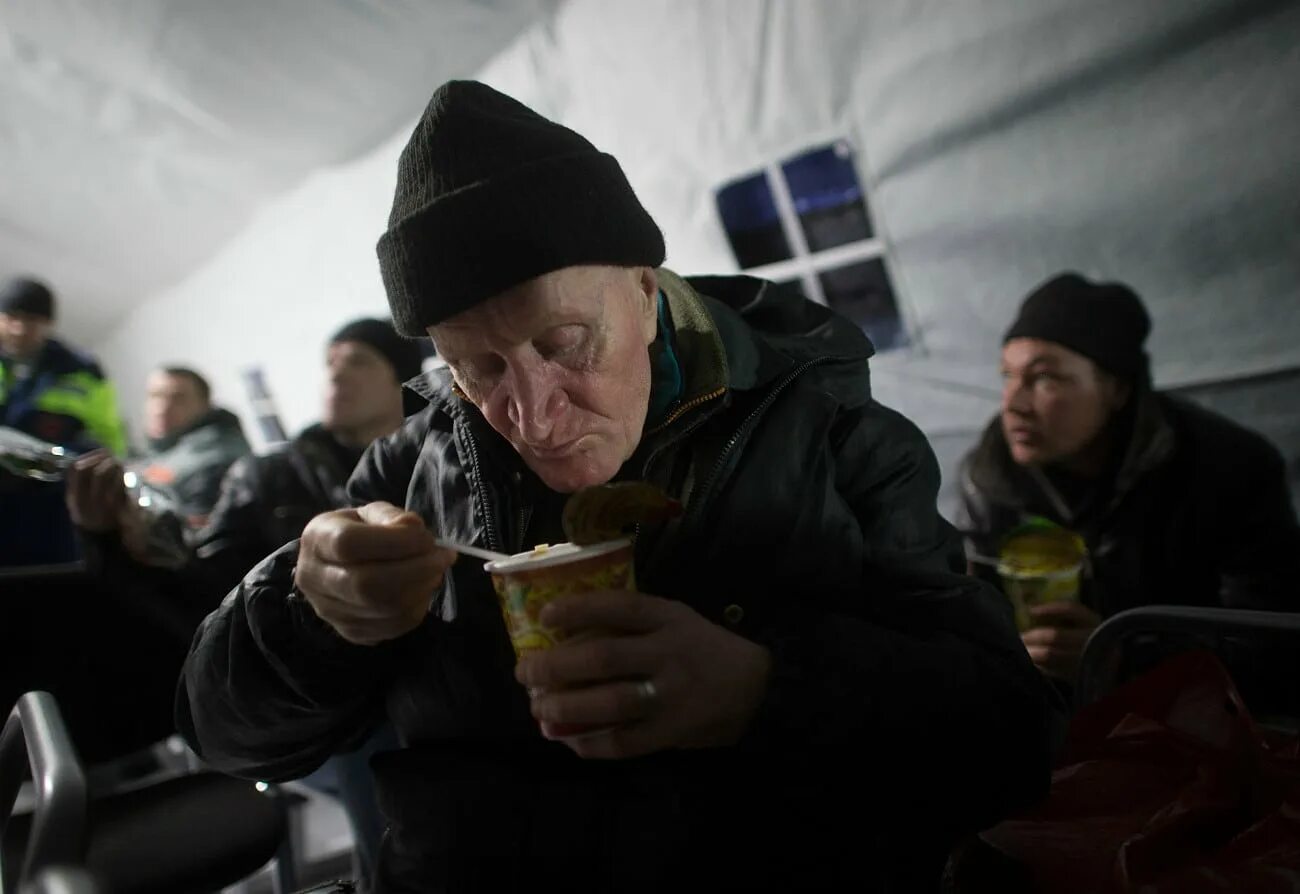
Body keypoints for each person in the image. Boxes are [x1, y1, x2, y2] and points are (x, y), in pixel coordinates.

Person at [177, 81, 1054, 893]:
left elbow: (1013, 738)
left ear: (643, 290)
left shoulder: (833, 436)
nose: (531, 413)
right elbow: (225, 738)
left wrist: (766, 692)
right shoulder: (409, 473)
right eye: (475, 368)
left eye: (563, 343)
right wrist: (307, 612)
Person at [66, 317, 422, 887]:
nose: (335, 372)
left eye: (357, 360)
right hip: (326, 719)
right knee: (379, 737)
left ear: (401, 379)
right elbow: (209, 599)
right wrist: (114, 543)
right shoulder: (268, 473)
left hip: (431, 691)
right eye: (330, 360)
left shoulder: (436, 463)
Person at [956, 273, 1300, 683]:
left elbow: (1273, 645)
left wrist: (1123, 657)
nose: (1013, 404)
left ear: (1117, 389)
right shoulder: (990, 480)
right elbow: (968, 617)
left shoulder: (1230, 469)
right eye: (1007, 376)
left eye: (1045, 378)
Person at [0, 276, 126, 565]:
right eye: (11, 318)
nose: (19, 329)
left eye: (31, 320)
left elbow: (107, 445)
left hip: (51, 510)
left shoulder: (83, 372)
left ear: (48, 324)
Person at [132, 366, 251, 528]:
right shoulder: (158, 453)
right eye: (155, 396)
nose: (162, 408)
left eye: (178, 399)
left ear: (205, 405)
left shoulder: (216, 458)